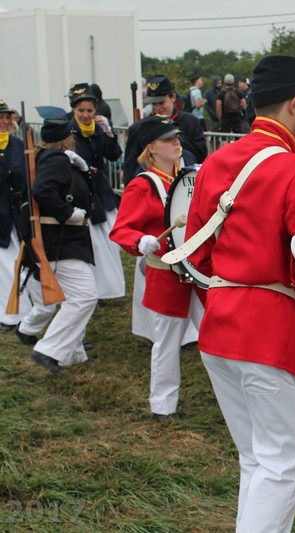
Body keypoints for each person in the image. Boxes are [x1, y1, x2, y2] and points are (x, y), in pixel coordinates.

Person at [184, 55, 295, 532]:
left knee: (257, 459)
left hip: (218, 326)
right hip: (271, 333)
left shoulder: (215, 163)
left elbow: (197, 255)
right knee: (285, 462)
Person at [110, 116, 205, 420]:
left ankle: (233, 396)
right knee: (167, 343)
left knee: (215, 336)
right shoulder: (142, 185)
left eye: (176, 136)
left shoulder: (188, 177)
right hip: (167, 276)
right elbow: (121, 230)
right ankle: (163, 405)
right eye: (168, 139)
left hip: (198, 272)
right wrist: (140, 240)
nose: (177, 142)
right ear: (151, 148)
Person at [24, 119, 97, 374]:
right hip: (62, 241)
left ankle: (74, 353)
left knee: (74, 298)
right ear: (68, 138)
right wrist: (67, 213)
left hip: (64, 240)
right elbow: (43, 190)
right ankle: (49, 350)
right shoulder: (56, 160)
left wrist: (84, 171)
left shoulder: (52, 158)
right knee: (85, 296)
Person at [68, 82, 126, 301]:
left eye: (89, 111)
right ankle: (95, 288)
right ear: (74, 110)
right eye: (81, 111)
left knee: (111, 241)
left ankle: (109, 286)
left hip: (101, 190)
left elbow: (114, 155)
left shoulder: (100, 128)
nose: (85, 115)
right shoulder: (69, 132)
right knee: (93, 243)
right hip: (82, 192)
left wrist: (109, 133)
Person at [123, 75, 207, 185]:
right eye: (154, 104)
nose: (158, 108)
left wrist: (175, 139)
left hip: (187, 184)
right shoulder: (139, 128)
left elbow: (201, 156)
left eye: (161, 102)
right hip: (153, 185)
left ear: (173, 97)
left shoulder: (190, 122)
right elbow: (130, 166)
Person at [0, 99, 32, 330]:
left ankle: (16, 311)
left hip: (16, 214)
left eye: (6, 117)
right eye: (0, 118)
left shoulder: (18, 145)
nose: (3, 122)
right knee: (6, 267)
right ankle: (10, 314)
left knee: (16, 265)